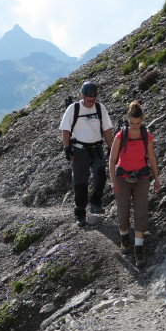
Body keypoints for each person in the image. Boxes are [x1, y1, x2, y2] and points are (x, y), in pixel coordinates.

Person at [108, 100, 160, 267]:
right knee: (123, 211)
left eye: (137, 123)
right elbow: (112, 160)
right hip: (122, 177)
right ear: (127, 119)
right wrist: (113, 181)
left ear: (142, 121)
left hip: (141, 177)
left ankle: (138, 248)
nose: (135, 126)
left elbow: (151, 158)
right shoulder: (120, 136)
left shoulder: (146, 136)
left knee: (141, 211)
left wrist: (157, 178)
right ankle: (124, 237)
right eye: (132, 123)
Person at [59, 80, 113, 227]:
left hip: (96, 149)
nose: (91, 102)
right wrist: (66, 148)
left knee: (101, 174)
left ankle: (95, 202)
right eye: (89, 100)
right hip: (79, 150)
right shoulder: (73, 109)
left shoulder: (100, 108)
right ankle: (80, 214)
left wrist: (111, 147)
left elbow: (107, 130)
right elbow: (65, 130)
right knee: (80, 182)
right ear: (81, 95)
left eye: (93, 99)